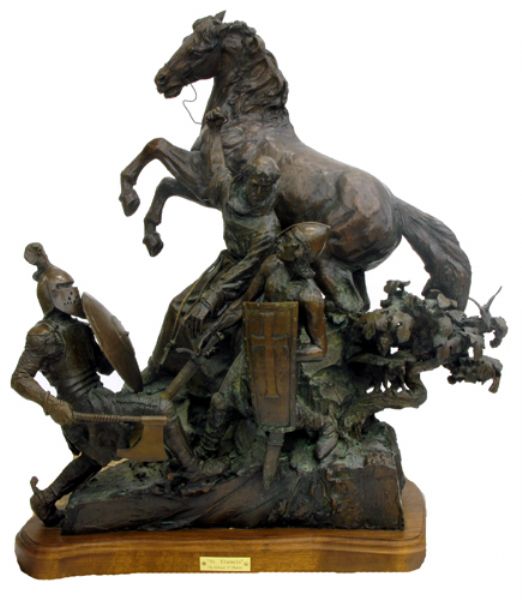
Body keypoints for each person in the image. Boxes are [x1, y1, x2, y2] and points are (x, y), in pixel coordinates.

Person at [11, 243, 175, 524]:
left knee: (95, 457)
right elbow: (20, 378)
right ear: (51, 295)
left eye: (71, 286)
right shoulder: (42, 334)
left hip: (99, 398)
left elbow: (106, 368)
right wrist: (51, 404)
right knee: (162, 410)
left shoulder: (81, 329)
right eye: (64, 287)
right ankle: (190, 471)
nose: (72, 292)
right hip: (80, 406)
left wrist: (113, 337)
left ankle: (46, 497)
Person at [146, 107, 281, 379]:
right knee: (178, 307)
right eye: (255, 184)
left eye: (264, 188)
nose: (257, 192)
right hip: (225, 268)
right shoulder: (230, 191)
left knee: (212, 326)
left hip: (252, 282)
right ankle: (157, 369)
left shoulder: (267, 227)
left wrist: (209, 300)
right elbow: (217, 164)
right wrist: (214, 130)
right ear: (246, 179)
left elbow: (246, 269)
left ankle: (208, 382)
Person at [193, 222, 339, 463]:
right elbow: (245, 304)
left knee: (281, 414)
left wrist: (286, 354)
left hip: (281, 360)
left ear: (300, 252)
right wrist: (214, 329)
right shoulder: (272, 265)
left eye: (289, 240)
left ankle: (325, 425)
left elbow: (319, 348)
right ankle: (203, 456)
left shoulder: (310, 296)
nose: (280, 240)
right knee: (220, 402)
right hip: (254, 349)